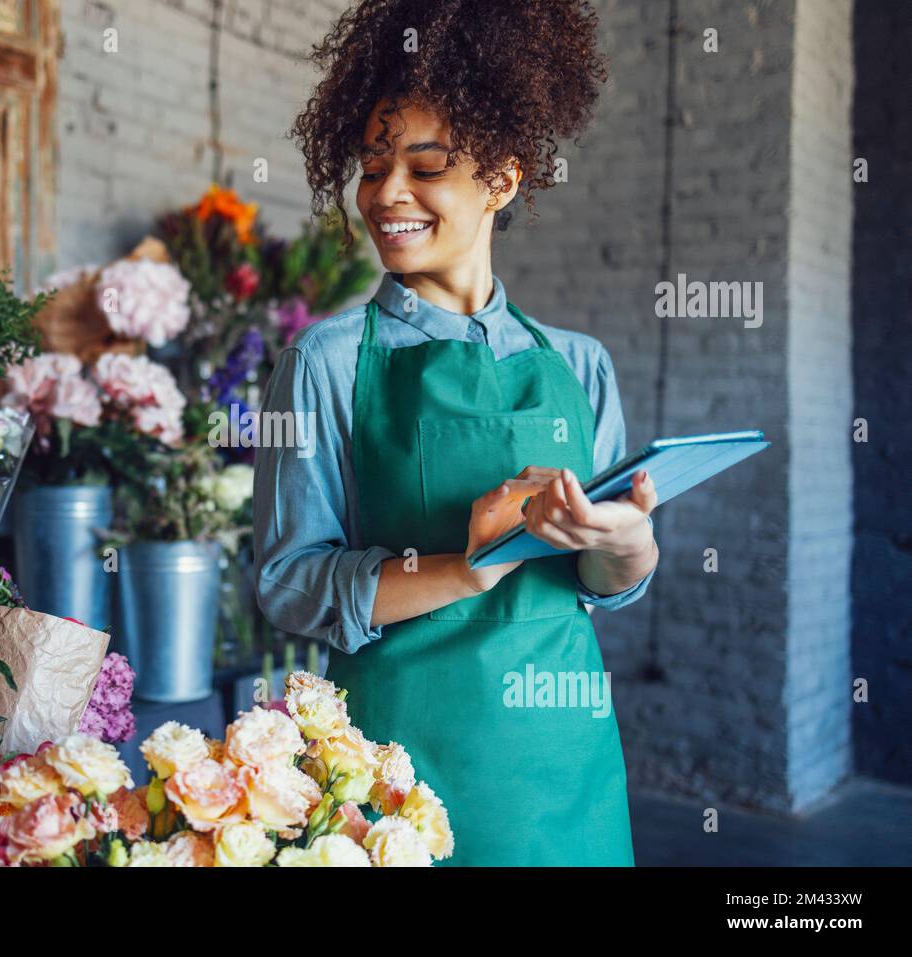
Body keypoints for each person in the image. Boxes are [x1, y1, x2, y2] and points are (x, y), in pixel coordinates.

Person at [252, 0, 660, 866]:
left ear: (503, 181)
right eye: (371, 165)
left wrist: (627, 542)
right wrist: (466, 566)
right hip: (400, 771)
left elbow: (601, 586)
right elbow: (289, 583)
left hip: (564, 769)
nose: (386, 193)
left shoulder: (580, 365)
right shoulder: (323, 363)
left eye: (424, 165)